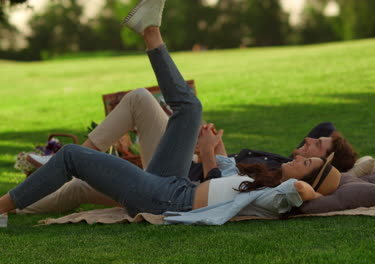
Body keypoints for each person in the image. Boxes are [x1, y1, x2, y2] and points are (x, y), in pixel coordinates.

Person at [0, 0, 343, 225]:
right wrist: (213, 147)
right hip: (174, 181)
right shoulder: (265, 180)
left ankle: (2, 208)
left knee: (73, 156)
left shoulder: (279, 195)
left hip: (165, 199)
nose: (302, 156)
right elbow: (224, 173)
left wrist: (315, 184)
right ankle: (151, 32)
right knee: (191, 107)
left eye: (309, 165)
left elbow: (302, 192)